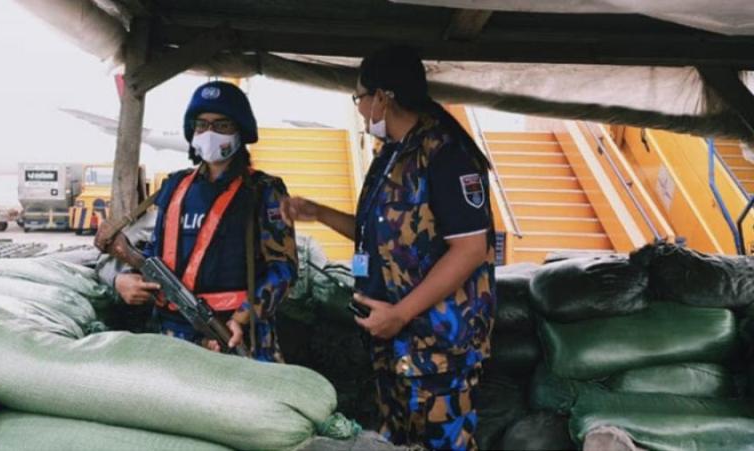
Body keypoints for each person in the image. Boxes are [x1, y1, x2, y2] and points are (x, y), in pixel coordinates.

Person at [281, 46, 496, 450]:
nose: (360, 109)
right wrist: (319, 213)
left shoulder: (446, 154)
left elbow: (470, 250)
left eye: (359, 98)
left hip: (435, 349)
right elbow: (378, 238)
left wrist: (399, 314)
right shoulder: (392, 155)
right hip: (391, 344)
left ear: (382, 97)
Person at [109, 80, 297, 362]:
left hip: (235, 334)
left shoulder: (264, 191)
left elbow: (284, 270)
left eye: (222, 125)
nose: (210, 133)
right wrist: (123, 280)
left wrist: (243, 317)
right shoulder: (174, 186)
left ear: (240, 131)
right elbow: (155, 254)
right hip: (171, 335)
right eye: (202, 125)